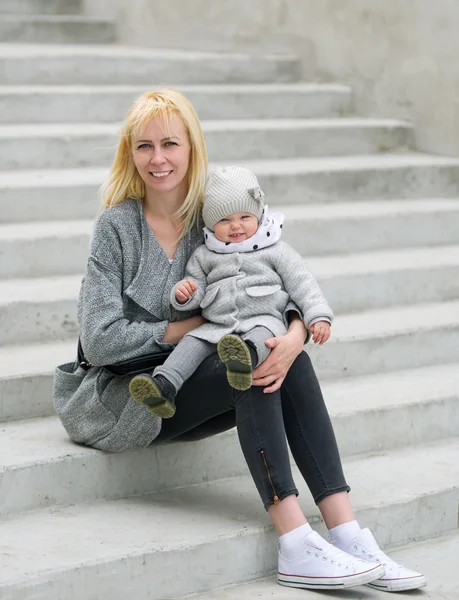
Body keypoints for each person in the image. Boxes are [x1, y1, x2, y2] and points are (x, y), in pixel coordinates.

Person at [53, 88, 426, 592]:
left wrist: (295, 331)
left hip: (207, 373)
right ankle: (295, 541)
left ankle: (348, 532)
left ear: (192, 148)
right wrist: (193, 327)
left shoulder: (213, 216)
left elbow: (270, 279)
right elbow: (100, 342)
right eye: (144, 147)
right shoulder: (116, 227)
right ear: (129, 152)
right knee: (244, 361)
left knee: (266, 356)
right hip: (131, 395)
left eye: (170, 144)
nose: (158, 159)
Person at [128, 165, 334, 420]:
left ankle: (244, 358)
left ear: (258, 215)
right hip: (219, 324)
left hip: (264, 317)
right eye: (224, 220)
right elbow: (196, 287)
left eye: (244, 217)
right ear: (212, 225)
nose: (235, 226)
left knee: (264, 336)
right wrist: (185, 294)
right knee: (192, 341)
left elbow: (303, 284)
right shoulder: (205, 254)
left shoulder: (276, 250)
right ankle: (164, 385)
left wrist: (318, 317)